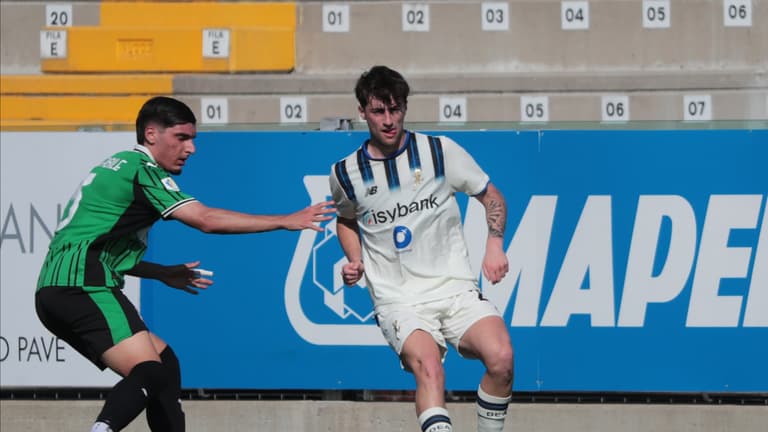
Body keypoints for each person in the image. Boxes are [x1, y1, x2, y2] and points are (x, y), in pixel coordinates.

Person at [35, 96, 336, 432]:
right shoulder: (143, 171)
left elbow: (94, 246)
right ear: (151, 134)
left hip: (56, 290)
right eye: (181, 137)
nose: (191, 148)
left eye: (192, 138)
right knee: (149, 370)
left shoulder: (116, 164)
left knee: (164, 362)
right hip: (83, 287)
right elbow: (205, 219)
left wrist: (161, 272)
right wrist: (284, 220)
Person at [329, 66, 514, 432]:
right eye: (379, 111)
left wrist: (495, 245)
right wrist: (355, 259)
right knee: (430, 368)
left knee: (502, 358)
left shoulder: (439, 151)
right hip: (398, 298)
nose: (388, 120)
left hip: (453, 286)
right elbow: (346, 220)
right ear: (362, 111)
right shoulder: (345, 173)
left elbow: (490, 195)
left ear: (405, 108)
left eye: (395, 110)